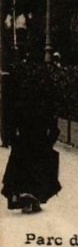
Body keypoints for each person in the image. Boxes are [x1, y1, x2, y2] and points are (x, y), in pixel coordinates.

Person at [2, 75, 61, 214]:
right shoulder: (45, 107)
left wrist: (13, 141)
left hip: (23, 142)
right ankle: (36, 198)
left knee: (21, 170)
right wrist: (49, 142)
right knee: (39, 171)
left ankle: (24, 197)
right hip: (40, 142)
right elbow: (54, 128)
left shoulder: (19, 106)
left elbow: (11, 126)